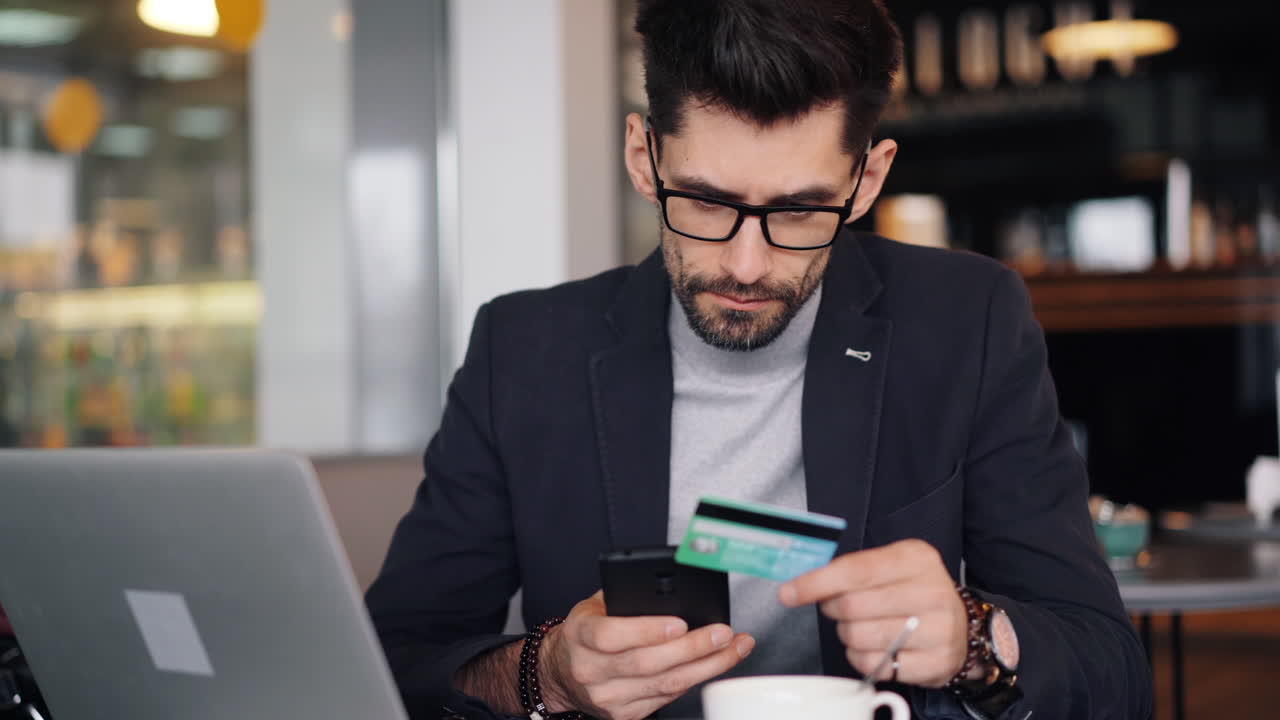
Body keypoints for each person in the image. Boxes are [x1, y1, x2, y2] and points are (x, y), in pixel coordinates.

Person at [365, 1, 1151, 719]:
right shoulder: (524, 352)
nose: (745, 265)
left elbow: (1111, 673)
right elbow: (388, 668)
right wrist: (547, 673)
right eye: (706, 201)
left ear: (867, 178)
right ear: (643, 156)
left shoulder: (967, 323)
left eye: (801, 211)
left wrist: (977, 638)